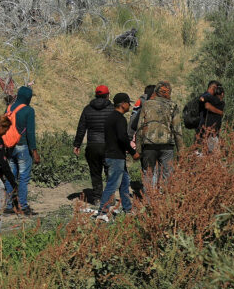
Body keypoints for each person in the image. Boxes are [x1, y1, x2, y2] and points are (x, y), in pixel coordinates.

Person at [96, 93, 139, 221]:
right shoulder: (119, 119)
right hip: (116, 157)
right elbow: (122, 138)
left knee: (125, 182)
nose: (129, 106)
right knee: (113, 184)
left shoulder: (110, 117)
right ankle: (102, 212)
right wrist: (133, 152)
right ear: (123, 104)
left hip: (112, 154)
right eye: (128, 103)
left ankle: (127, 209)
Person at [73, 85, 115, 205]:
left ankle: (97, 198)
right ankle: (110, 198)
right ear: (108, 95)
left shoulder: (87, 109)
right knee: (110, 172)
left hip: (93, 145)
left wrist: (77, 144)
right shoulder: (112, 109)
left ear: (96, 95)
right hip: (108, 146)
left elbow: (81, 128)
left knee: (95, 172)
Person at [136, 81, 181, 192]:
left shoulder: (146, 104)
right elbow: (177, 130)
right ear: (168, 93)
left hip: (149, 145)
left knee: (148, 174)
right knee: (167, 174)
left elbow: (139, 127)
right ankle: (165, 202)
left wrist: (138, 149)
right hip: (167, 146)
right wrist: (181, 151)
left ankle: (148, 202)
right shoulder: (172, 106)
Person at [4, 86, 41, 216]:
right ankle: (23, 206)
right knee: (24, 178)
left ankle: (8, 206)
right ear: (28, 98)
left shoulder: (8, 108)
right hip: (23, 147)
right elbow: (30, 132)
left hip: (9, 147)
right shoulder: (28, 110)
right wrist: (34, 151)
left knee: (10, 176)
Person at [198, 80, 225, 152]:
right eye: (216, 89)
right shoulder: (207, 96)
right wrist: (220, 112)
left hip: (208, 131)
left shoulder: (213, 99)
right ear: (213, 88)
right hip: (206, 131)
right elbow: (207, 106)